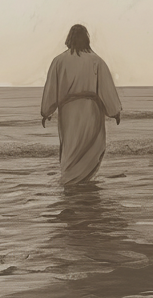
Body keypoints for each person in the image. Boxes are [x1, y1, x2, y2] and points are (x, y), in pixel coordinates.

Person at [40, 24, 122, 184]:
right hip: (91, 112)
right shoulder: (96, 61)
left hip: (69, 113)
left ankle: (71, 184)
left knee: (71, 148)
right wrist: (114, 111)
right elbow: (106, 89)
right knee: (91, 147)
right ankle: (82, 184)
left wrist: (46, 111)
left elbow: (51, 89)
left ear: (69, 39)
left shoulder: (58, 61)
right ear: (87, 40)